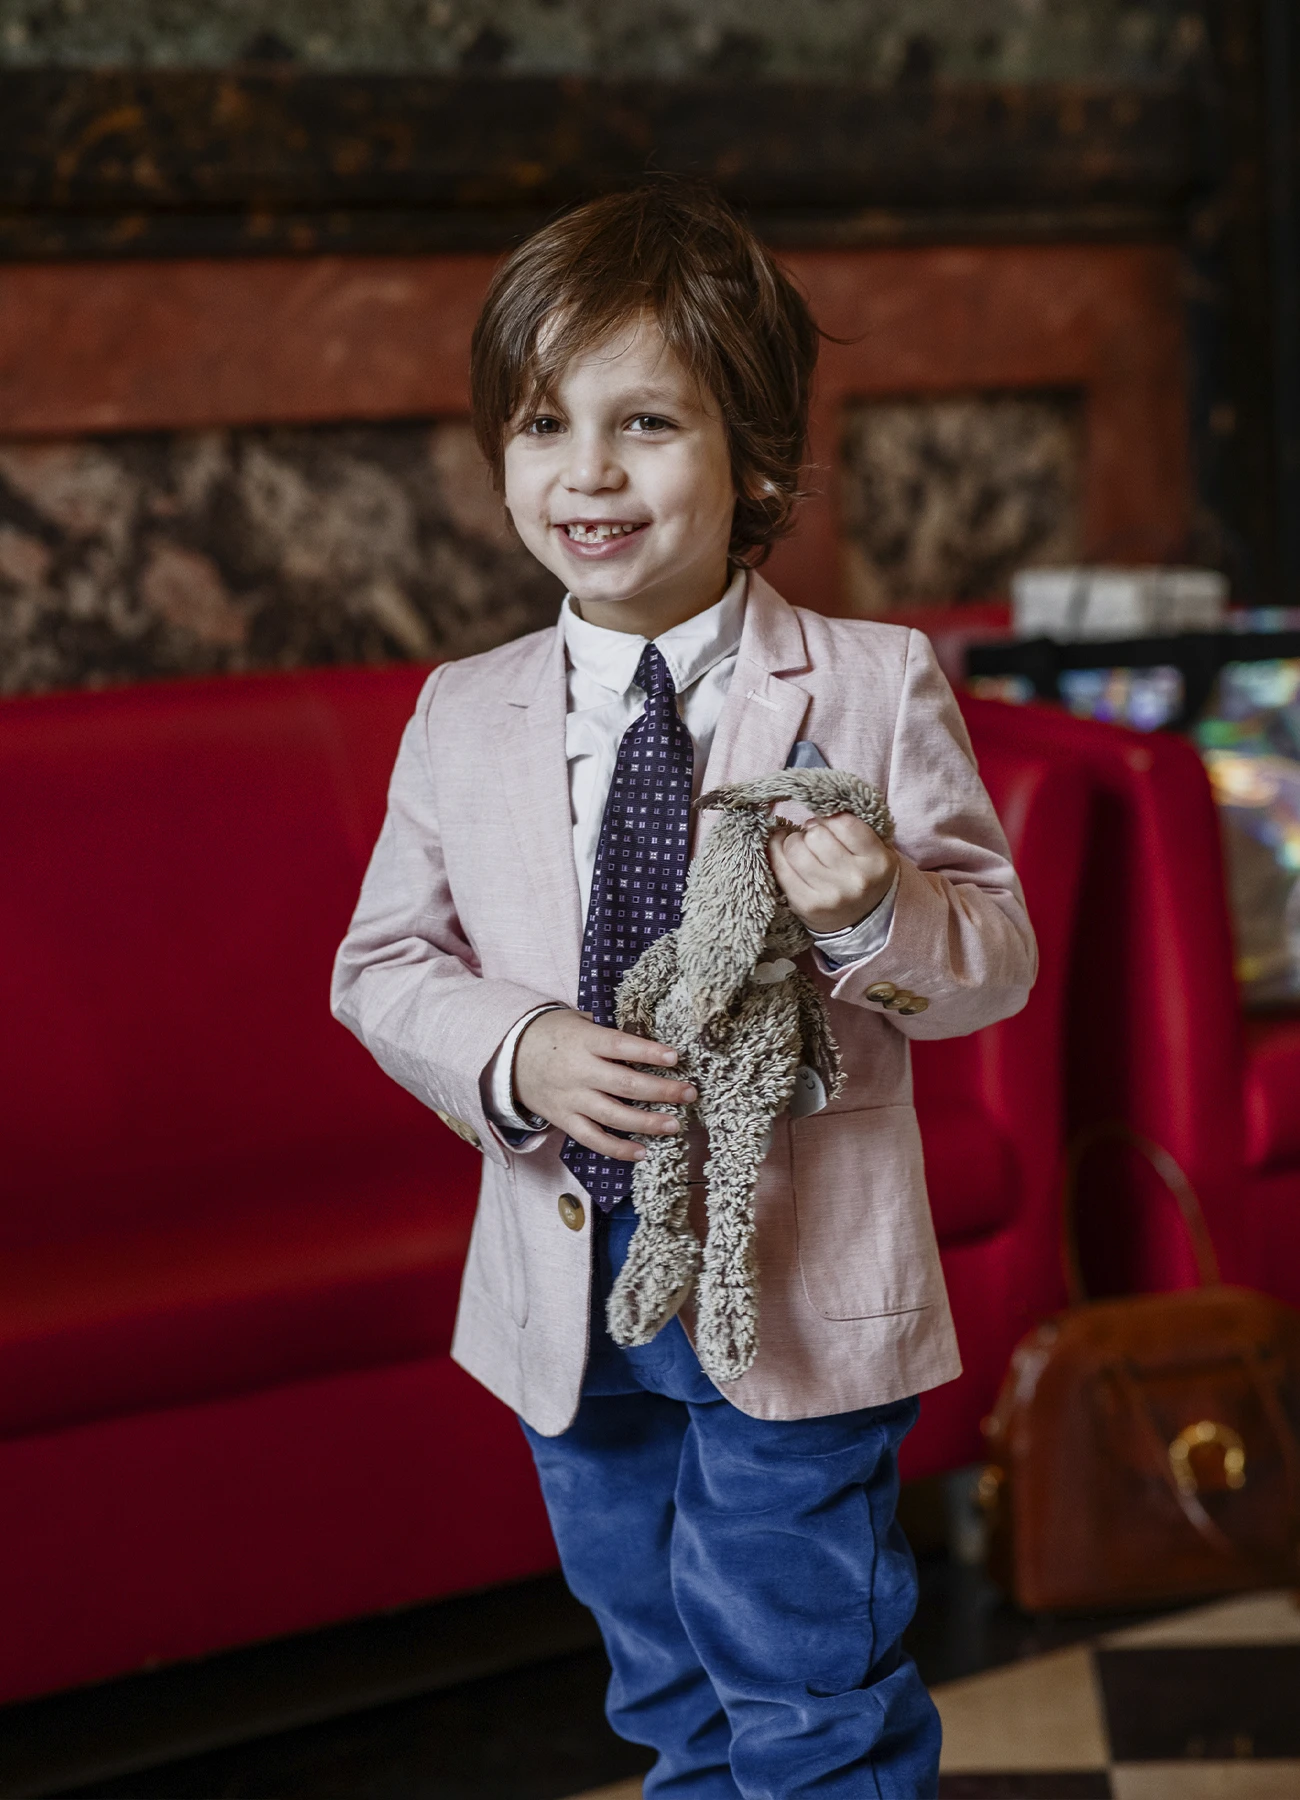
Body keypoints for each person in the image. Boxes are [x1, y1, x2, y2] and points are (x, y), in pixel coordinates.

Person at [332, 182, 1036, 1798]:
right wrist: (520, 1048)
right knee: (668, 1691)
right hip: (570, 1290)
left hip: (790, 1273)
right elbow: (379, 967)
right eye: (541, 422)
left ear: (759, 461)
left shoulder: (868, 682)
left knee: (808, 1685)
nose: (586, 471)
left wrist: (878, 915)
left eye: (644, 421)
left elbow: (993, 958)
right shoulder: (461, 712)